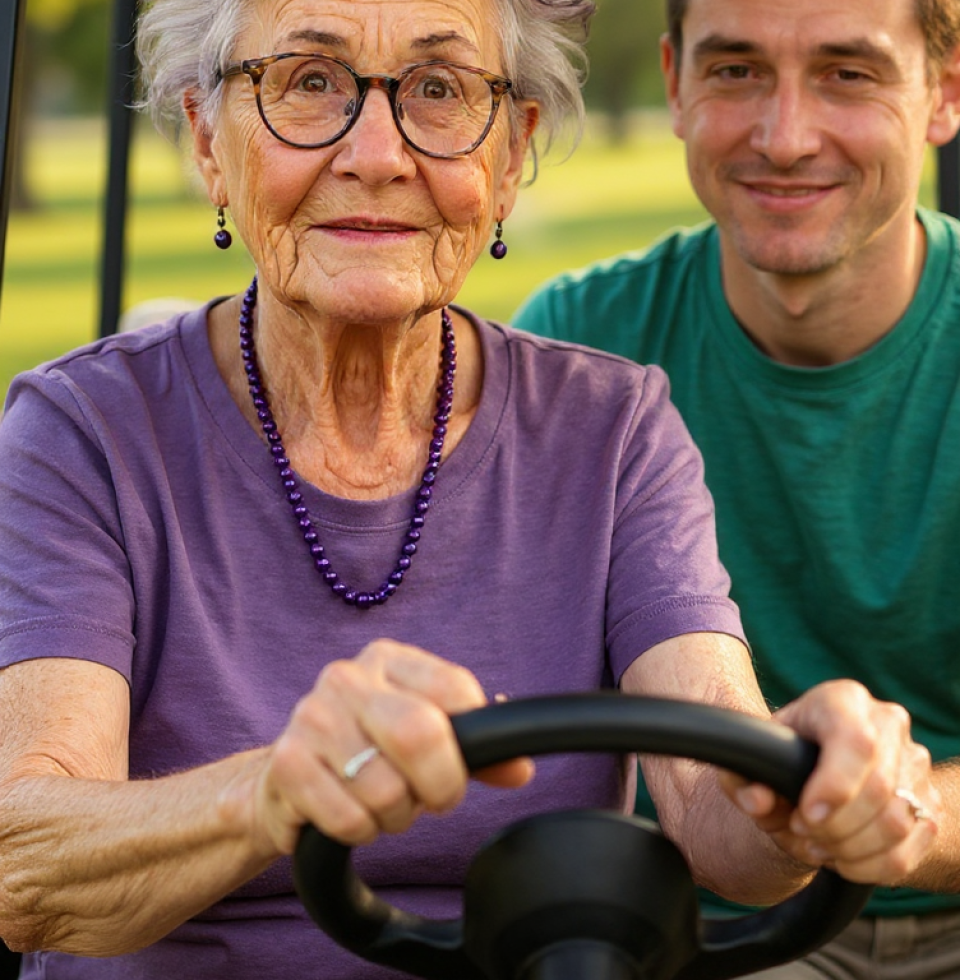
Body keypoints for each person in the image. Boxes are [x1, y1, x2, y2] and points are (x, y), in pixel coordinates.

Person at [0, 0, 938, 977]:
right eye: (309, 82)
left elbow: (714, 807)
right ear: (205, 136)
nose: (376, 154)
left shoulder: (615, 427)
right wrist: (267, 793)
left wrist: (807, 791)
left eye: (439, 90)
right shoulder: (84, 431)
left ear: (512, 153)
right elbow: (23, 858)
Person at [514, 0, 960, 976]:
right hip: (711, 925)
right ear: (675, 84)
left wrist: (885, 809)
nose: (786, 136)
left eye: (848, 72)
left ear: (946, 88)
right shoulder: (580, 349)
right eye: (737, 71)